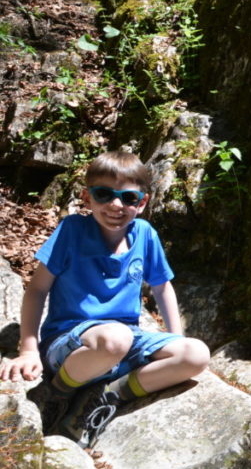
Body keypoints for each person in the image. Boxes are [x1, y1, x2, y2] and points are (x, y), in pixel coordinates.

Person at [0, 150, 209, 448]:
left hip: (123, 339)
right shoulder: (72, 230)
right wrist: (29, 349)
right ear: (87, 198)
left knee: (196, 355)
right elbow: (36, 290)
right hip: (70, 342)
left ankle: (108, 393)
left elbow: (162, 288)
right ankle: (58, 393)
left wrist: (174, 337)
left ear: (143, 202)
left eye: (129, 198)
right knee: (114, 339)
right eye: (103, 195)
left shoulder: (145, 234)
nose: (116, 205)